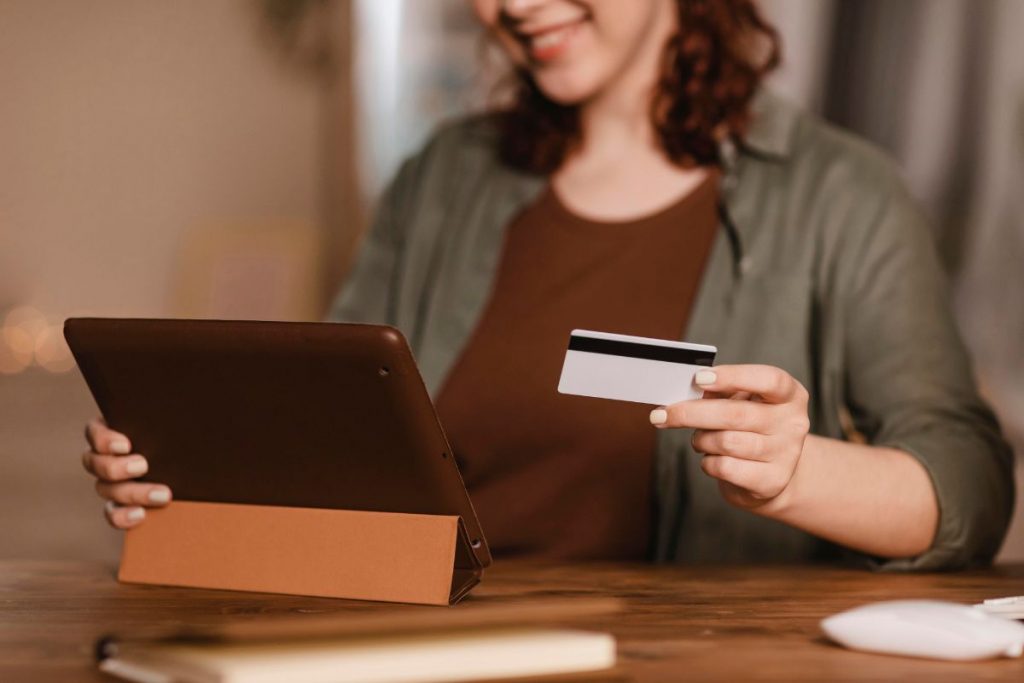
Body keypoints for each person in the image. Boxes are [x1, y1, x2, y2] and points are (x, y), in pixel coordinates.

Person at [81, 0, 1014, 569]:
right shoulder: (440, 178)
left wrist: (797, 472)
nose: (514, 5)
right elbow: (331, 438)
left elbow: (969, 484)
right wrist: (192, 469)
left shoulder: (842, 194)